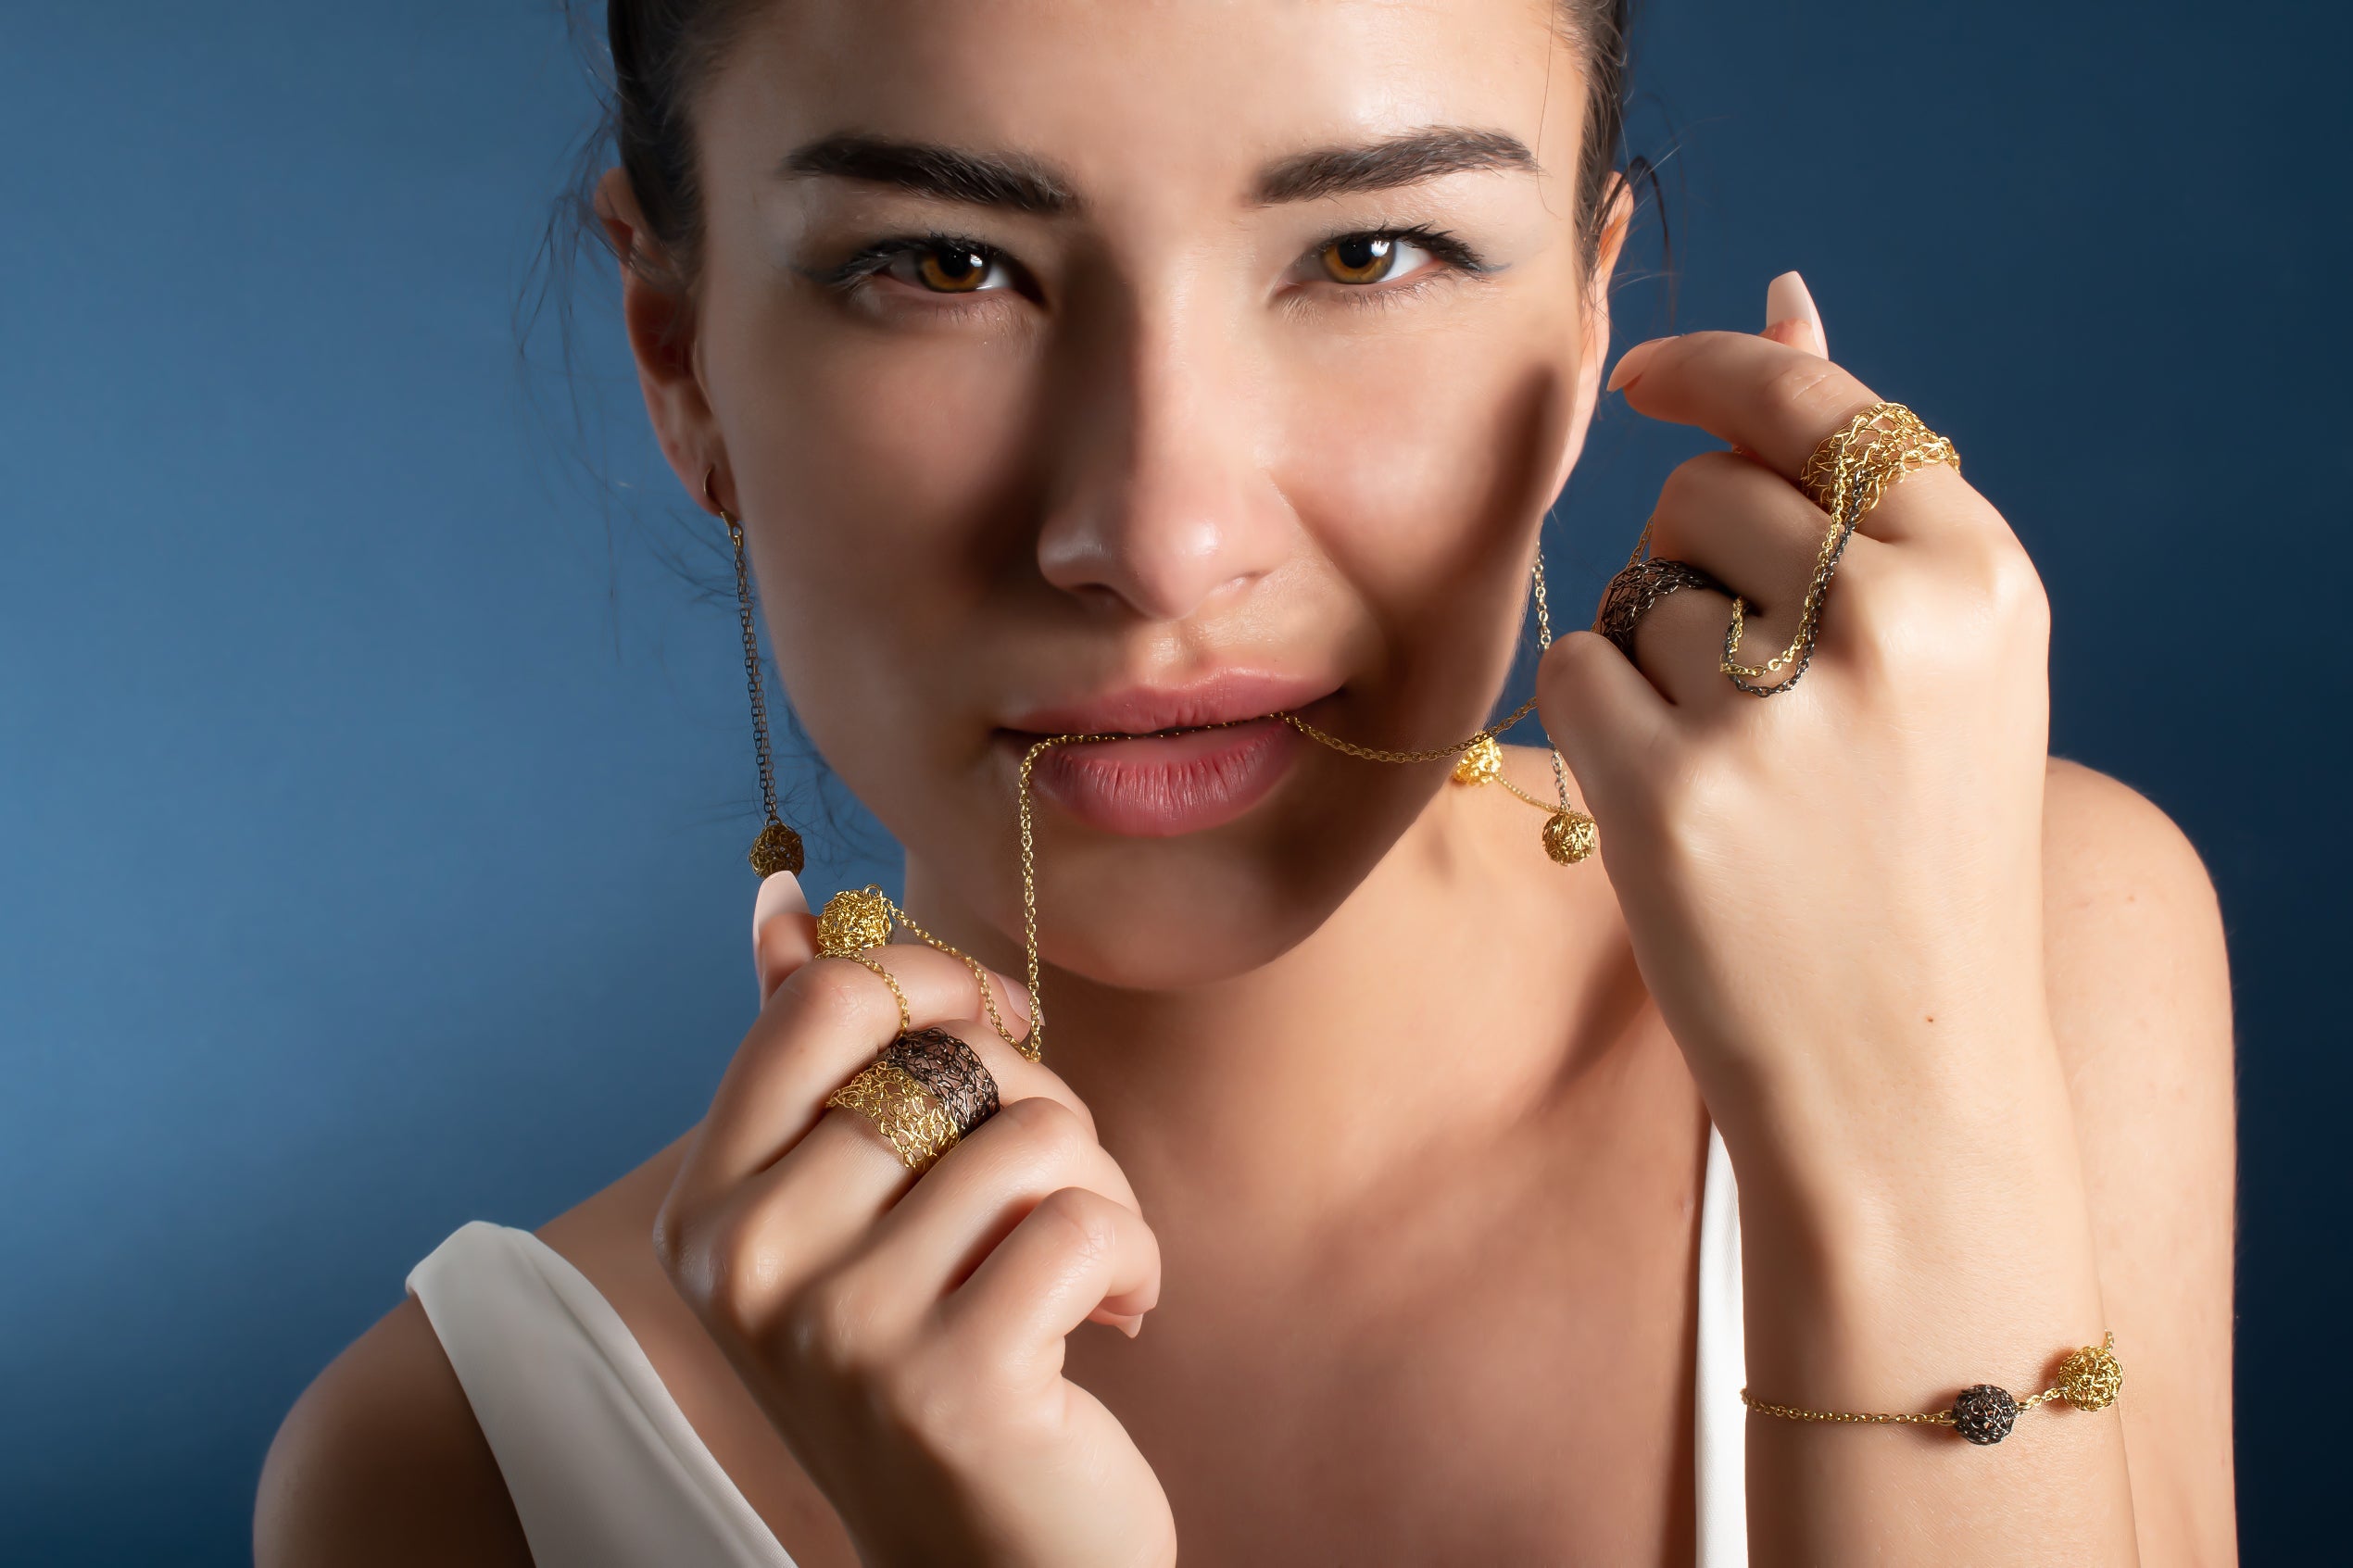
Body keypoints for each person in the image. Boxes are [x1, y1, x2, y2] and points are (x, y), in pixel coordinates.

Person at [254, 0, 2238, 1562]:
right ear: (678, 356)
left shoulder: (2040, 939)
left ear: (1583, 314)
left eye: (1371, 248)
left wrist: (1894, 1113)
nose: (1162, 535)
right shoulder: (462, 1473)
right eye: (944, 263)